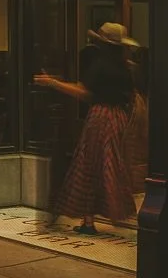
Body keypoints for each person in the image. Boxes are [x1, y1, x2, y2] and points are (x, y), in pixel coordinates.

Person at [34, 22, 137, 234]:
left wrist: (53, 83)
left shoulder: (100, 65)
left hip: (100, 117)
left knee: (88, 166)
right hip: (119, 118)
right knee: (110, 164)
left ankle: (88, 221)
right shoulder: (125, 67)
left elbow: (84, 92)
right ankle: (112, 213)